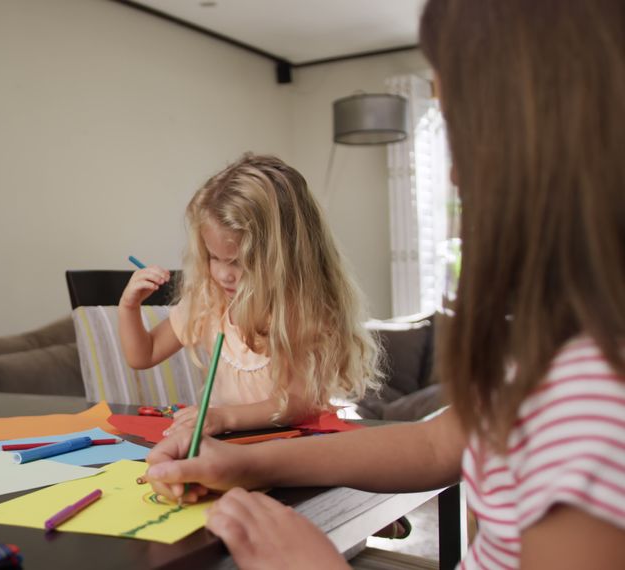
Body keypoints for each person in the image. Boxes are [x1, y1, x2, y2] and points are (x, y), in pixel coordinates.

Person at [143, 0, 625, 568]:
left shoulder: (593, 399)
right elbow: (435, 444)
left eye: (461, 130)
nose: (454, 172)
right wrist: (253, 462)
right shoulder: (561, 347)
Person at [118, 153, 380, 436]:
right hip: (231, 447)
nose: (222, 274)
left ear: (284, 259)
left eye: (239, 262)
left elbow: (298, 403)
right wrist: (128, 307)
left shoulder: (299, 312)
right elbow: (143, 355)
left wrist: (225, 418)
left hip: (296, 446)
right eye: (213, 257)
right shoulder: (209, 302)